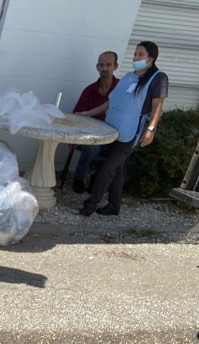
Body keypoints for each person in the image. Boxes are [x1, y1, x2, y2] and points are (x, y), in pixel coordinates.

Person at [77, 41, 168, 217]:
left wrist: (151, 129)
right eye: (135, 54)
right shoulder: (128, 77)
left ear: (151, 58)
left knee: (107, 168)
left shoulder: (158, 78)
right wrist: (88, 113)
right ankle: (114, 205)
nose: (136, 57)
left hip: (132, 132)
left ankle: (90, 205)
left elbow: (158, 106)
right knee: (117, 169)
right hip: (115, 128)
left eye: (140, 55)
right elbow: (112, 102)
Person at [69, 51, 119, 193]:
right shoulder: (89, 91)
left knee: (117, 152)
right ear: (97, 67)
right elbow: (77, 116)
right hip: (91, 137)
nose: (105, 69)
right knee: (92, 148)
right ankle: (79, 178)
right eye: (102, 65)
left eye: (108, 65)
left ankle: (97, 180)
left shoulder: (121, 89)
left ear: (115, 66)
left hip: (114, 136)